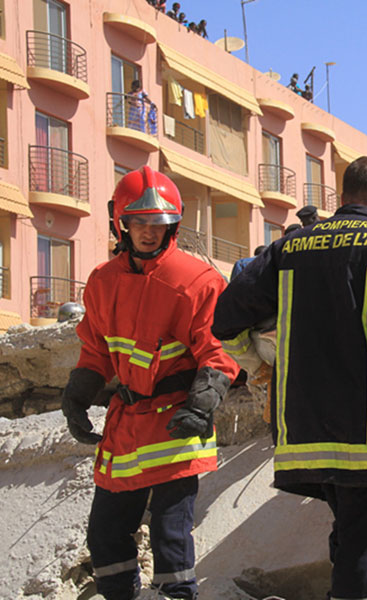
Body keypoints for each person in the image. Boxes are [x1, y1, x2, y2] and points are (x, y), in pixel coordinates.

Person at [211, 156, 367, 600]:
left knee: (353, 536)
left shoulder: (290, 248)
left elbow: (225, 320)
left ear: (342, 197)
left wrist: (256, 365)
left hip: (303, 432)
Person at [60, 166, 239, 600]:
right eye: (138, 222)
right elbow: (96, 349)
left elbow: (220, 350)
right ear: (121, 223)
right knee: (104, 535)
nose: (147, 232)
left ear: (172, 224)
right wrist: (79, 395)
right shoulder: (103, 282)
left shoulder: (197, 280)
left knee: (170, 535)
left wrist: (201, 404)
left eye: (157, 223)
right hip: (127, 424)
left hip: (177, 423)